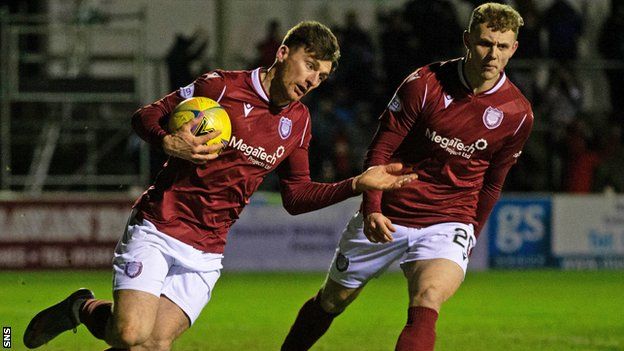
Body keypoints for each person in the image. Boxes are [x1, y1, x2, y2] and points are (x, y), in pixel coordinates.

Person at [22, 21, 417, 351]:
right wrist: (168, 140)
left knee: (153, 344)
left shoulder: (298, 123)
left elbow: (295, 198)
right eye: (309, 64)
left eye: (322, 75)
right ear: (282, 54)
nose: (313, 79)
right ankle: (77, 309)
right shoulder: (221, 87)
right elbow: (147, 115)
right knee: (130, 334)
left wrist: (356, 184)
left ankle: (80, 310)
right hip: (160, 226)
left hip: (207, 250)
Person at [281, 4, 533, 351]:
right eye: (484, 43)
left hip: (449, 220)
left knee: (427, 300)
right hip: (391, 212)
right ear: (467, 40)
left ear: (514, 49)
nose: (492, 55)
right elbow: (380, 150)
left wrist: (472, 233)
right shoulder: (425, 84)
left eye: (502, 47)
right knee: (332, 301)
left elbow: (492, 183)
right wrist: (372, 208)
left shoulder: (517, 114)